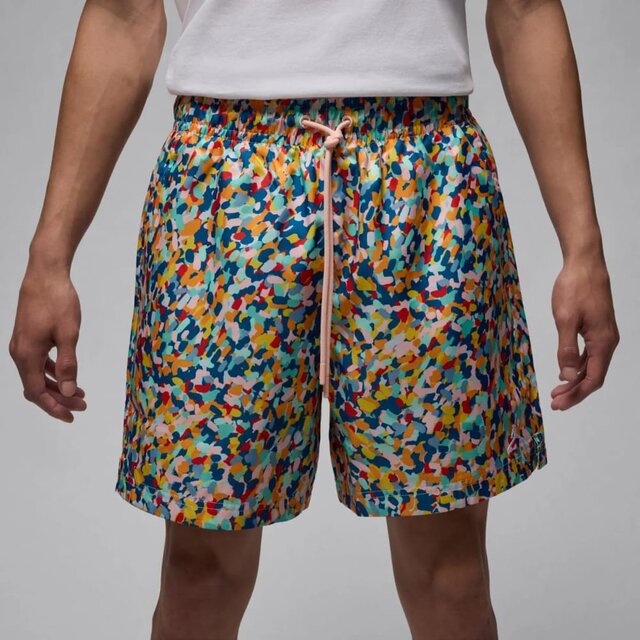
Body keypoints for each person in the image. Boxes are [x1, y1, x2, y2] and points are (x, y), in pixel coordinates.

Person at [8, 0, 619, 639]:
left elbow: (524, 8)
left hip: (423, 174)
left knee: (451, 574)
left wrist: (583, 249)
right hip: (225, 181)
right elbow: (122, 14)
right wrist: (50, 257)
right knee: (199, 573)